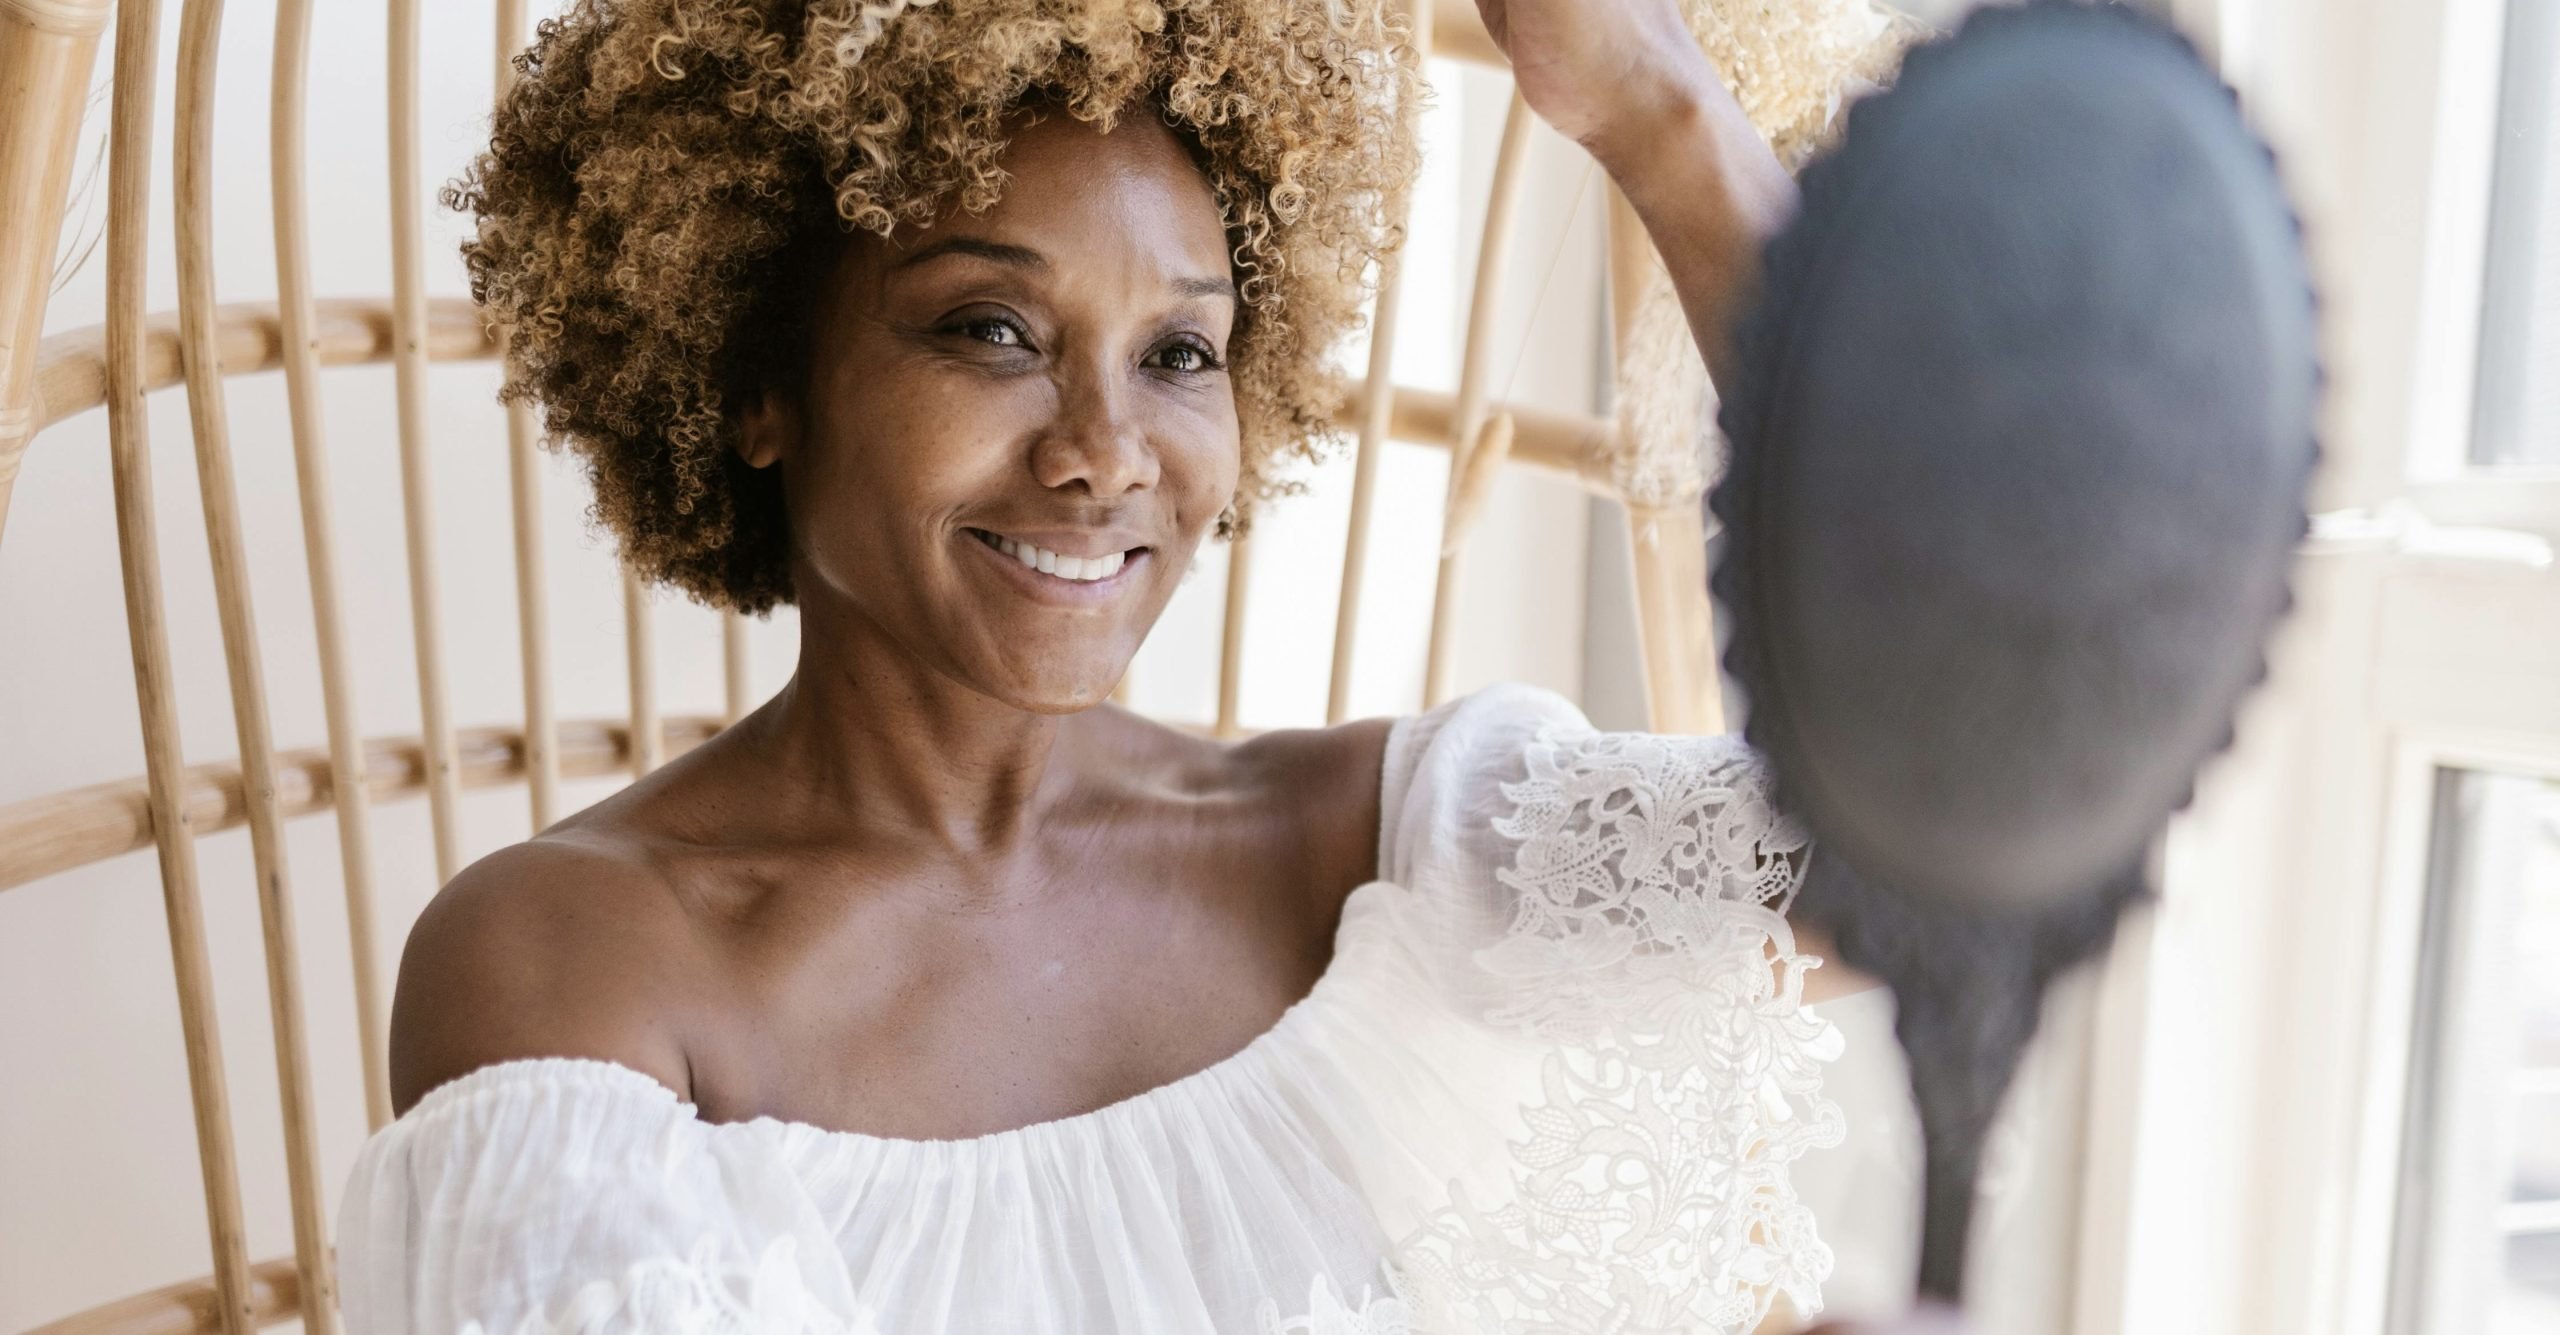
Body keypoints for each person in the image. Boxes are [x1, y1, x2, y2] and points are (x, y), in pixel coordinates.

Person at [334, 1, 1935, 1331]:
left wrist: (1656, 113)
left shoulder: (1376, 863)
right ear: (762, 382)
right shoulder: (575, 969)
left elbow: (1961, 800)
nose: (1107, 456)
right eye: (991, 331)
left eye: (1178, 355)